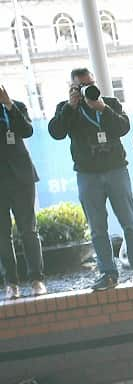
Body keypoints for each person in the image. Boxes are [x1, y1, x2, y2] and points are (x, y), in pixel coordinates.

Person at [48, 67, 133, 290]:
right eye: (81, 86)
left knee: (130, 222)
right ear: (72, 87)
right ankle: (108, 273)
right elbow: (56, 132)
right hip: (87, 174)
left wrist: (103, 109)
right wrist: (70, 106)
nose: (88, 89)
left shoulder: (110, 103)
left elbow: (123, 127)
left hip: (116, 169)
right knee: (97, 228)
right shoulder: (67, 109)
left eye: (90, 84)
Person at [0, 84, 45, 299]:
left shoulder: (16, 107)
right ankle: (11, 282)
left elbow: (27, 130)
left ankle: (37, 279)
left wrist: (8, 105)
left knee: (28, 229)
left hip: (22, 178)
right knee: (2, 235)